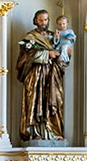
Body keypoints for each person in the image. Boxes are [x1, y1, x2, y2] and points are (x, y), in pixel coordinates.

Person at [14, 10, 66, 142]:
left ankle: (53, 132)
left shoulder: (54, 36)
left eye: (46, 20)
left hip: (51, 74)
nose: (44, 22)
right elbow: (24, 58)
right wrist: (46, 54)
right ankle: (35, 132)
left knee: (54, 100)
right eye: (41, 20)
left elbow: (63, 55)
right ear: (36, 20)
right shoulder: (30, 37)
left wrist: (65, 54)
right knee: (36, 102)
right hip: (35, 75)